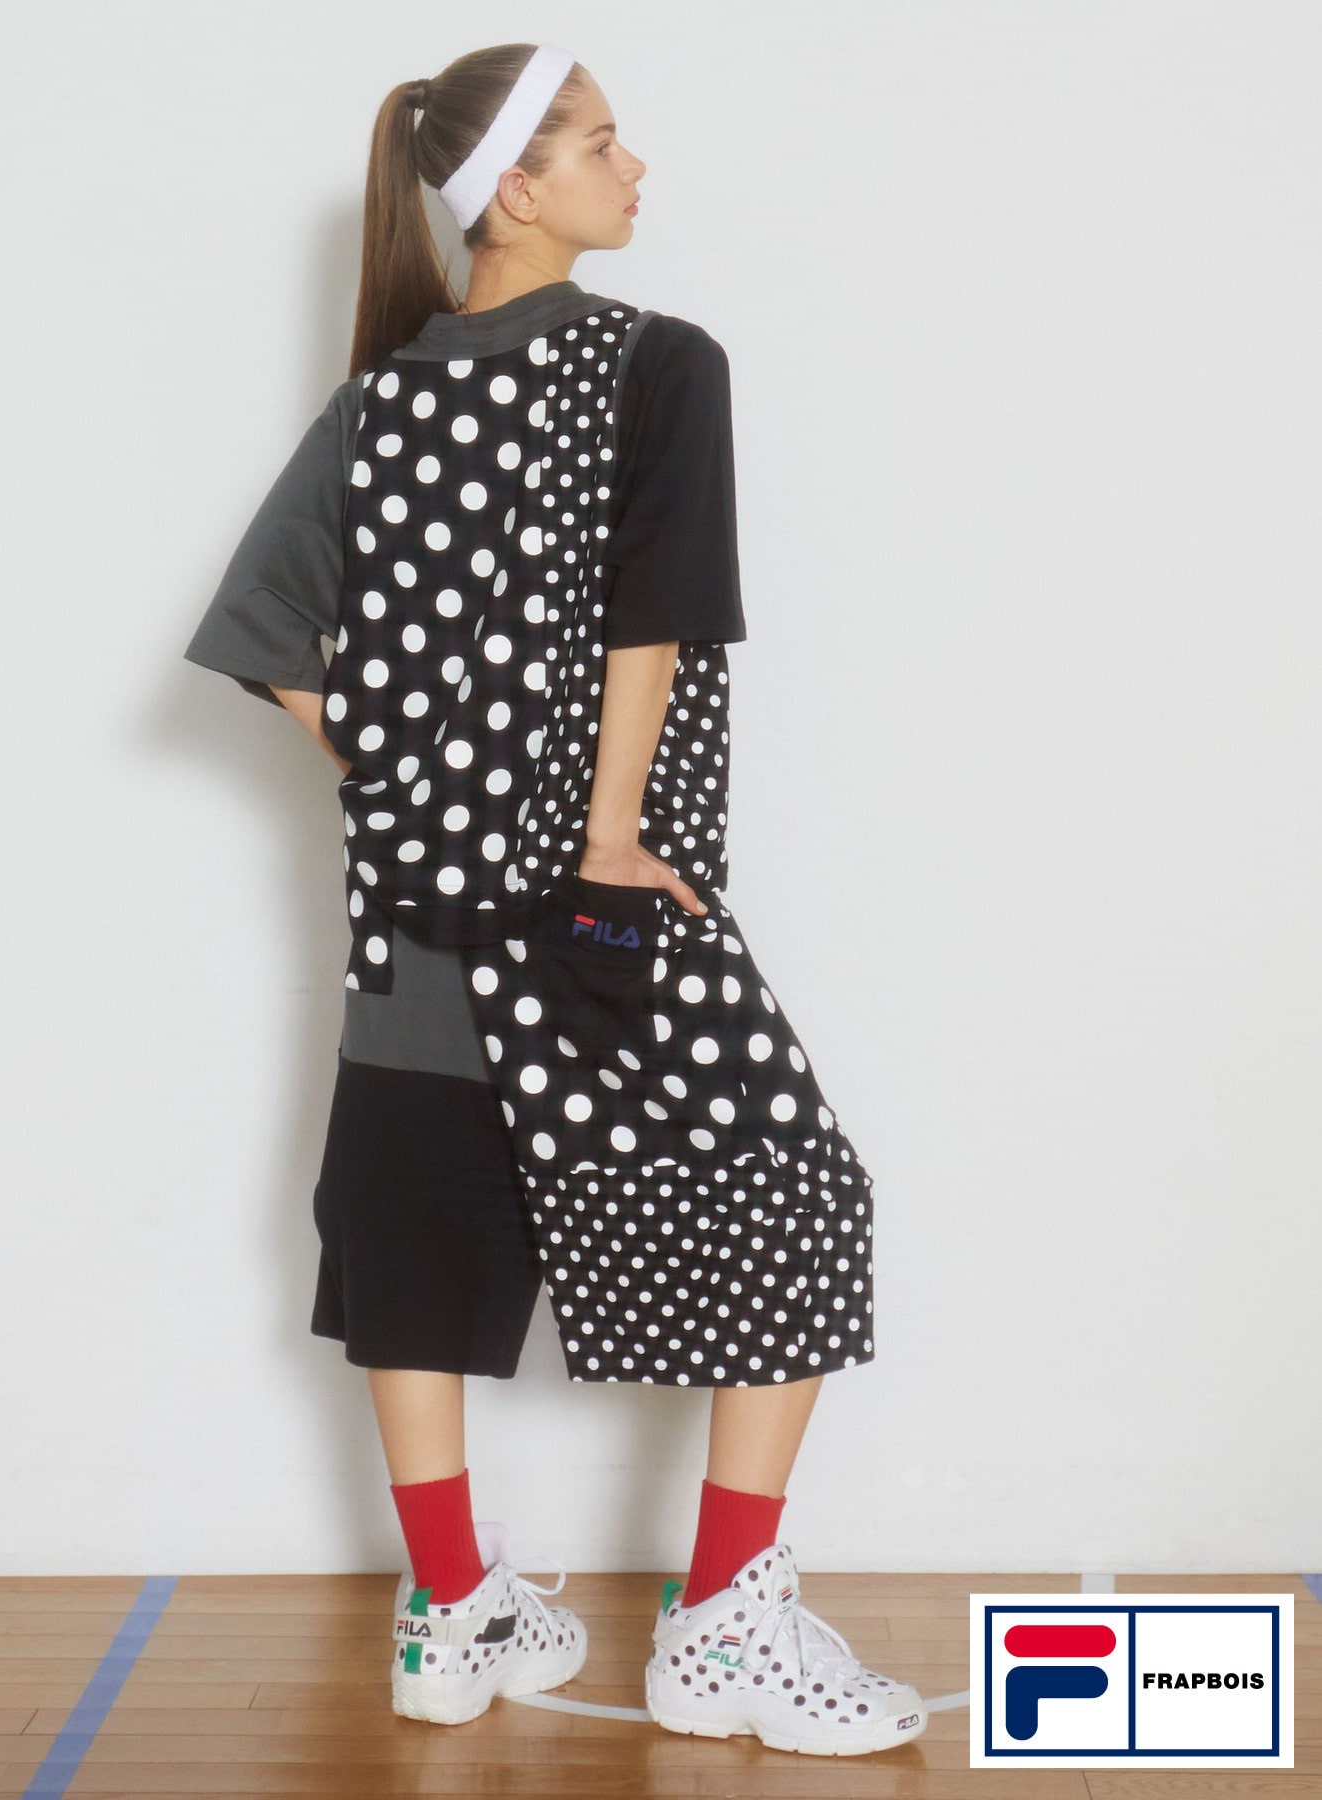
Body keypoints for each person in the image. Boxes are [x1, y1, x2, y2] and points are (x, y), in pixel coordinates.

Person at [183, 40, 927, 1758]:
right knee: (793, 1200)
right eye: (601, 142)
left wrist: (401, 777)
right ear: (515, 190)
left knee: (414, 1229)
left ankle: (450, 1612)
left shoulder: (378, 404)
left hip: (417, 896)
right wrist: (603, 835)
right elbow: (653, 615)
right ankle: (723, 1627)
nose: (634, 167)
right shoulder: (660, 364)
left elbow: (262, 628)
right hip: (599, 899)